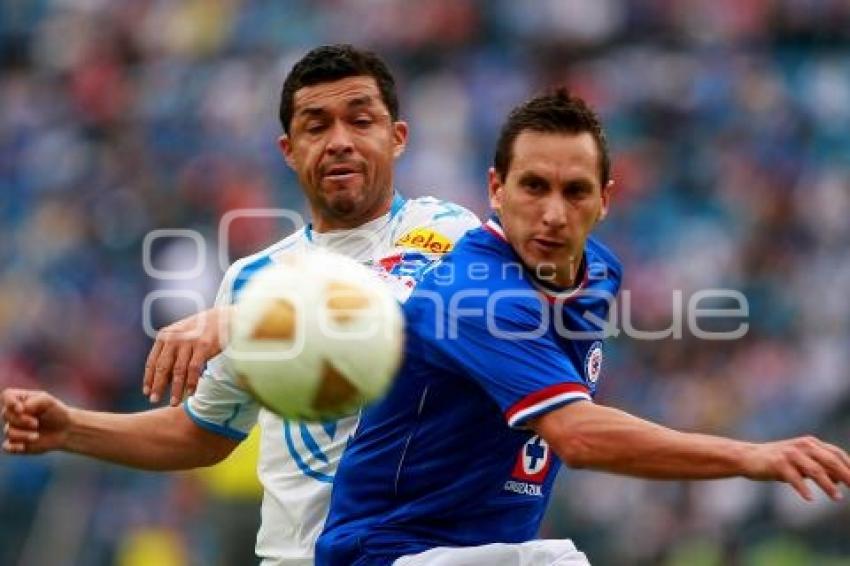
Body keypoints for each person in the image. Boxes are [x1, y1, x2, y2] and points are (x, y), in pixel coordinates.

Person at [315, 89, 850, 566]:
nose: (553, 213)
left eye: (574, 191)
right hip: (393, 551)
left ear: (605, 200)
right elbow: (577, 435)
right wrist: (749, 455)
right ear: (496, 189)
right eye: (533, 186)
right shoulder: (477, 297)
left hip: (500, 551)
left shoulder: (598, 272)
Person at [0, 44, 480, 565]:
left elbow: (388, 312)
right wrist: (72, 428)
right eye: (316, 127)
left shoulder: (446, 231)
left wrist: (246, 319)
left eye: (361, 121)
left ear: (398, 138)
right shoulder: (253, 277)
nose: (339, 141)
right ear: (288, 150)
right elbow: (202, 433)